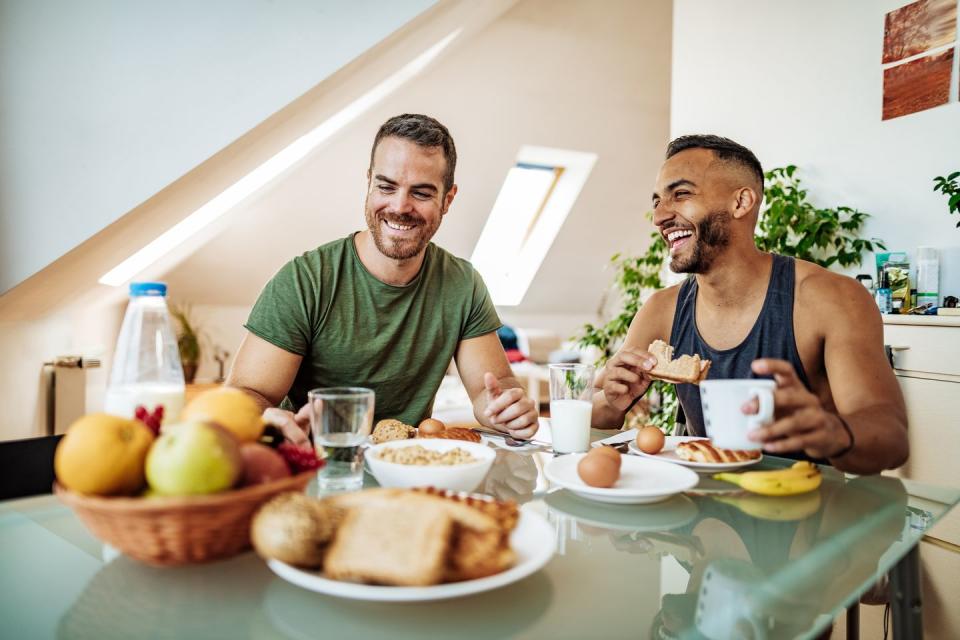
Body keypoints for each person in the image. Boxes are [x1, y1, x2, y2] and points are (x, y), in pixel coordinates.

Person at [592, 135, 908, 474]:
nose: (659, 216)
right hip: (703, 511)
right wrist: (611, 401)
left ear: (741, 202)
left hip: (807, 513)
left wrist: (834, 433)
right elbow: (595, 410)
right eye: (657, 201)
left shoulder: (830, 298)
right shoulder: (660, 309)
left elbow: (892, 440)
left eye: (681, 194)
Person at [226, 114, 538, 446]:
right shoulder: (305, 281)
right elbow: (246, 394)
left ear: (447, 200)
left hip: (410, 469)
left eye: (420, 193)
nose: (399, 206)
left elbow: (493, 386)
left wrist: (507, 407)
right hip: (320, 468)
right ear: (369, 182)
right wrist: (262, 416)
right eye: (386, 186)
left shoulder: (463, 283)